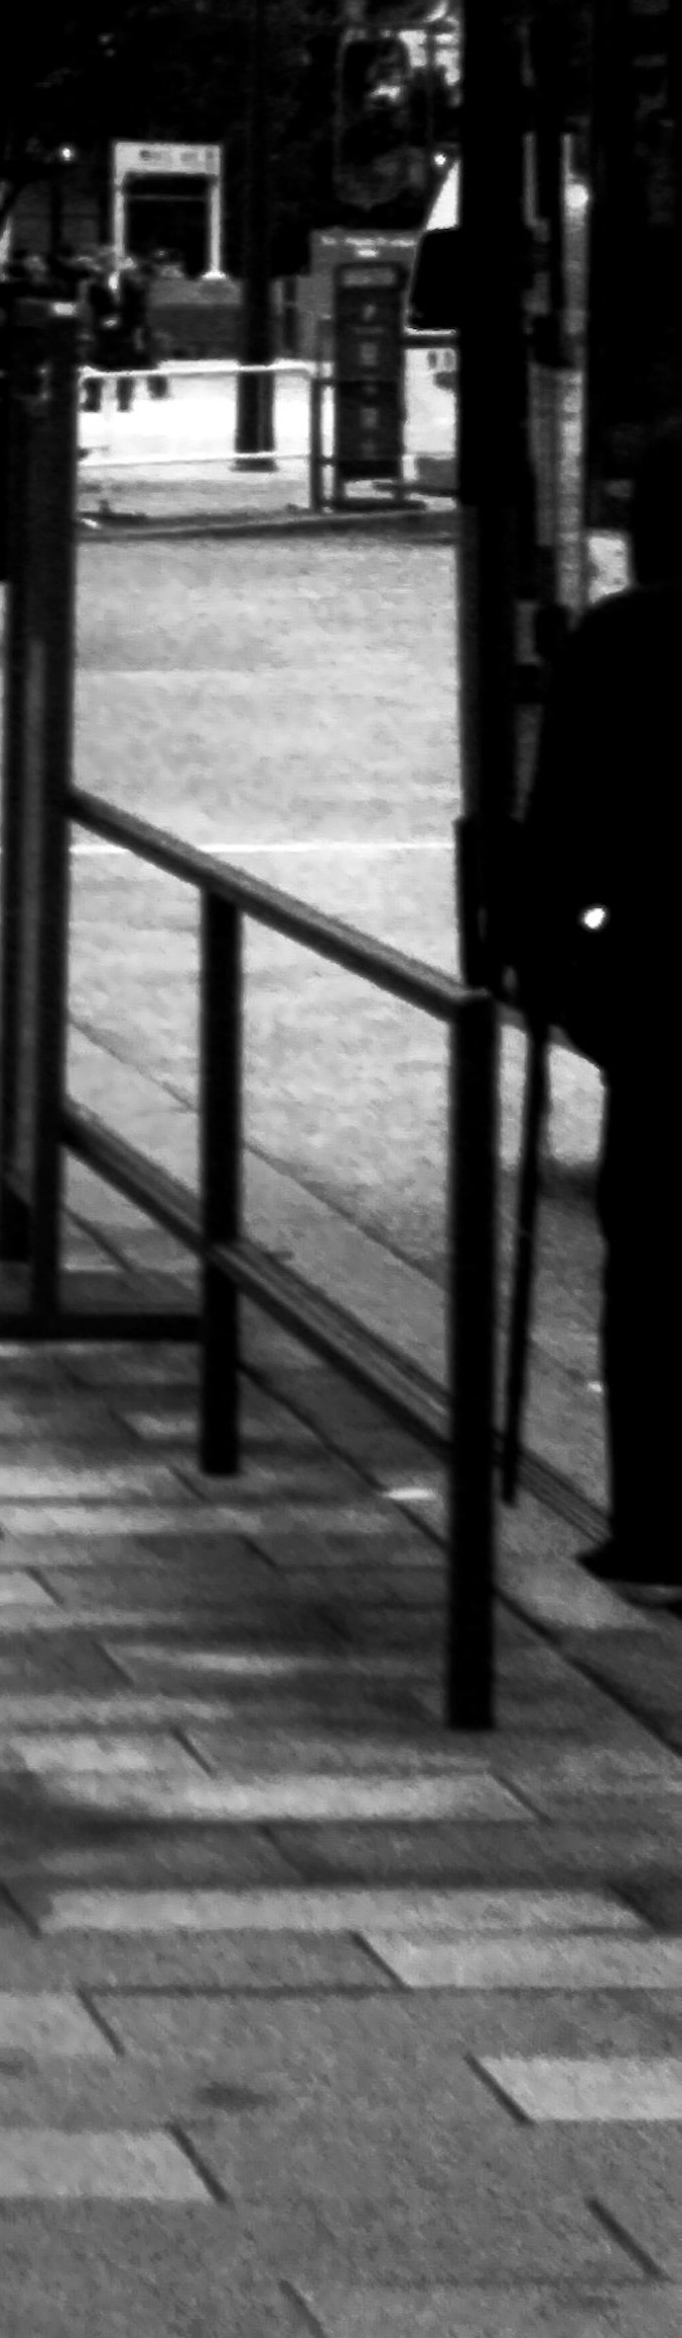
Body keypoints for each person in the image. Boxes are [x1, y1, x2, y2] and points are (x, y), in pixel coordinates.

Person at [512, 425, 682, 1591]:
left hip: (673, 992)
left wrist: (544, 971)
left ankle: (660, 1518)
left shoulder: (625, 641)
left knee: (662, 1258)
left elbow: (561, 831)